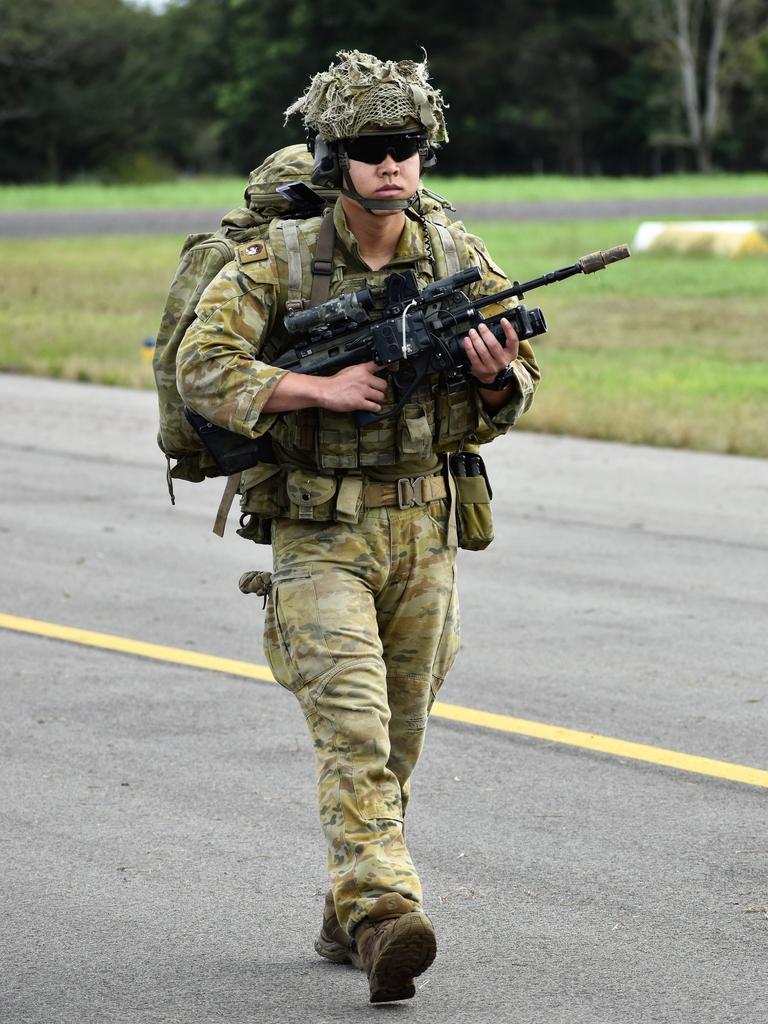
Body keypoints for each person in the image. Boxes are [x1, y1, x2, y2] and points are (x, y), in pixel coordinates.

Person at [177, 50, 539, 1004]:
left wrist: (500, 378)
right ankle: (384, 915)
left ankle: (345, 909)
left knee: (402, 738)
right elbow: (201, 366)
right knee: (354, 730)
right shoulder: (278, 261)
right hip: (317, 533)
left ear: (427, 155)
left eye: (406, 147)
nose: (391, 166)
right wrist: (315, 386)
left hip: (425, 528)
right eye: (370, 148)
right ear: (334, 159)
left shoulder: (453, 253)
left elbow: (516, 393)